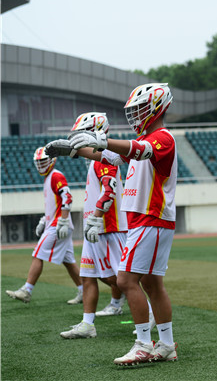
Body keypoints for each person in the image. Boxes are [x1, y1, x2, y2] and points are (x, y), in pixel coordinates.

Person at [50, 83, 178, 365]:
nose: (136, 114)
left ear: (158, 107)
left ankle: (143, 343)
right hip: (146, 220)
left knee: (125, 280)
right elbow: (107, 155)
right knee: (152, 284)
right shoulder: (145, 139)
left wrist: (102, 140)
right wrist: (74, 150)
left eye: (140, 108)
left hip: (150, 218)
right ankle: (166, 344)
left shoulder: (162, 138)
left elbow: (139, 150)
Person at [50, 112, 128, 339]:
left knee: (122, 279)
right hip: (96, 227)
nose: (78, 139)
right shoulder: (96, 159)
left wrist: (96, 218)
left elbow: (109, 189)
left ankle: (151, 311)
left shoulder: (104, 158)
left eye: (82, 134)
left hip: (109, 227)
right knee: (88, 276)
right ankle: (87, 324)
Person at [5, 147, 82, 304]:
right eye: (38, 162)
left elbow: (67, 197)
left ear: (52, 160)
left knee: (38, 254)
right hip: (55, 223)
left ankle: (27, 290)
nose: (40, 165)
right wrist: (43, 220)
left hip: (58, 225)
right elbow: (53, 205)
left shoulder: (55, 176)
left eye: (43, 161)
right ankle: (84, 291)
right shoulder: (49, 178)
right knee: (68, 261)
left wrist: (63, 220)